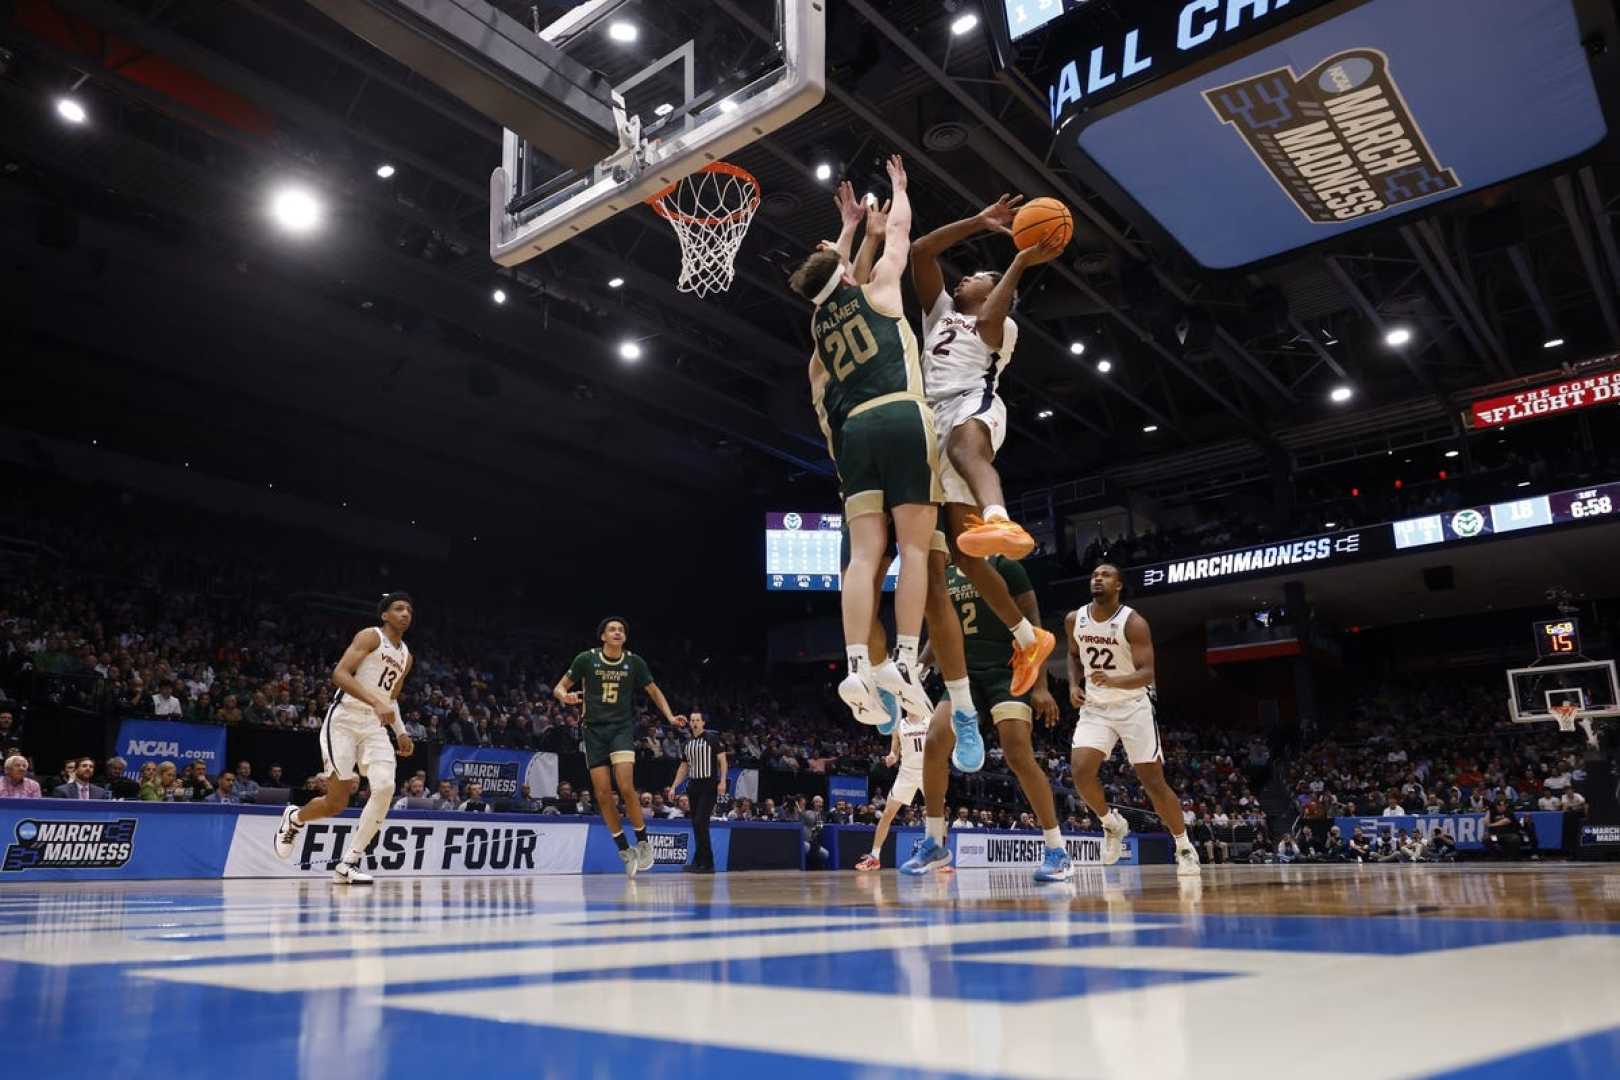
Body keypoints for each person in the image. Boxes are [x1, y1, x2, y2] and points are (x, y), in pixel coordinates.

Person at [790, 157, 935, 728]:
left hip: (854, 436)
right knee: (916, 549)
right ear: (849, 272)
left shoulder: (818, 330)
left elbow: (833, 277)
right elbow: (899, 233)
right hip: (899, 412)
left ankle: (855, 667)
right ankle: (902, 658)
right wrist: (898, 192)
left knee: (866, 556)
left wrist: (850, 231)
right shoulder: (878, 293)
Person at [909, 196, 1062, 697]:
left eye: (977, 275)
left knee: (964, 450)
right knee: (966, 559)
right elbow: (919, 253)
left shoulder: (1004, 326)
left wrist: (1019, 259)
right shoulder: (941, 313)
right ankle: (1028, 635)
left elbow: (994, 319)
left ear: (997, 288)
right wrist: (977, 222)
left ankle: (1000, 516)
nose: (963, 278)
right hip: (933, 419)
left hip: (975, 404)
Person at [903, 554, 1069, 882]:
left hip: (1007, 673)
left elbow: (1034, 626)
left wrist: (1041, 685)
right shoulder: (942, 574)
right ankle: (935, 842)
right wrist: (917, 670)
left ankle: (1056, 849)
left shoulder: (1004, 566)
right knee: (935, 741)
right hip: (962, 675)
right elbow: (938, 631)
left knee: (1017, 752)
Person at [1065, 563, 1200, 876]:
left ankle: (1183, 846)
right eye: (1095, 575)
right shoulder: (1075, 619)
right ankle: (1112, 825)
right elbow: (1073, 656)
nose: (1098, 578)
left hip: (1132, 706)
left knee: (1153, 782)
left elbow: (1147, 674)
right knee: (1081, 772)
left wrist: (1113, 681)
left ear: (1119, 585)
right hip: (1096, 708)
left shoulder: (1133, 622)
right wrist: (1073, 685)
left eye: (1106, 575)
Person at [272, 592, 416, 884]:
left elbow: (391, 699)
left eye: (409, 610)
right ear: (385, 615)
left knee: (386, 786)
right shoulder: (370, 636)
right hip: (345, 721)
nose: (405, 613)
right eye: (398, 608)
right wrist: (374, 702)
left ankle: (348, 863)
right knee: (336, 802)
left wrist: (400, 731)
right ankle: (295, 818)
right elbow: (339, 674)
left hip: (374, 727)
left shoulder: (407, 656)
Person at [555, 616, 685, 877]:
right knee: (602, 794)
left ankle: (644, 843)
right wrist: (564, 696)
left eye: (621, 630)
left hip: (621, 729)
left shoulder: (634, 662)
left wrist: (670, 717)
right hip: (593, 731)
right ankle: (625, 850)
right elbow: (559, 687)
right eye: (611, 629)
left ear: (624, 637)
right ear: (602, 636)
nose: (617, 632)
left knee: (625, 785)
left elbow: (654, 691)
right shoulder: (586, 659)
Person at [856, 696, 930, 871]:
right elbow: (894, 751)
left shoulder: (929, 718)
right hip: (906, 773)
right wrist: (891, 757)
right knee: (887, 813)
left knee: (937, 814)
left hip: (928, 772)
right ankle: (875, 857)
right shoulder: (898, 725)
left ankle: (941, 859)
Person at [669, 712, 726, 874]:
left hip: (708, 785)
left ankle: (708, 864)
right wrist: (674, 786)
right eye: (692, 720)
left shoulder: (712, 739)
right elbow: (683, 767)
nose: (694, 723)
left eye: (697, 720)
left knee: (701, 822)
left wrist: (722, 781)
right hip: (693, 786)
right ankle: (698, 861)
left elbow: (723, 761)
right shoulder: (687, 743)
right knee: (696, 824)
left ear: (703, 723)